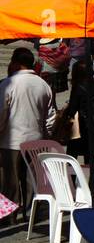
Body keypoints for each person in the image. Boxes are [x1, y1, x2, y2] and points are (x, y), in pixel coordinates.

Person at [0, 48, 56, 222]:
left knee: (11, 181)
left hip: (12, 141)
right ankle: (31, 213)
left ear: (15, 63)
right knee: (32, 180)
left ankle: (11, 216)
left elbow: (1, 112)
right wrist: (46, 133)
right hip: (36, 140)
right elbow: (51, 115)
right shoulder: (42, 84)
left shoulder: (9, 84)